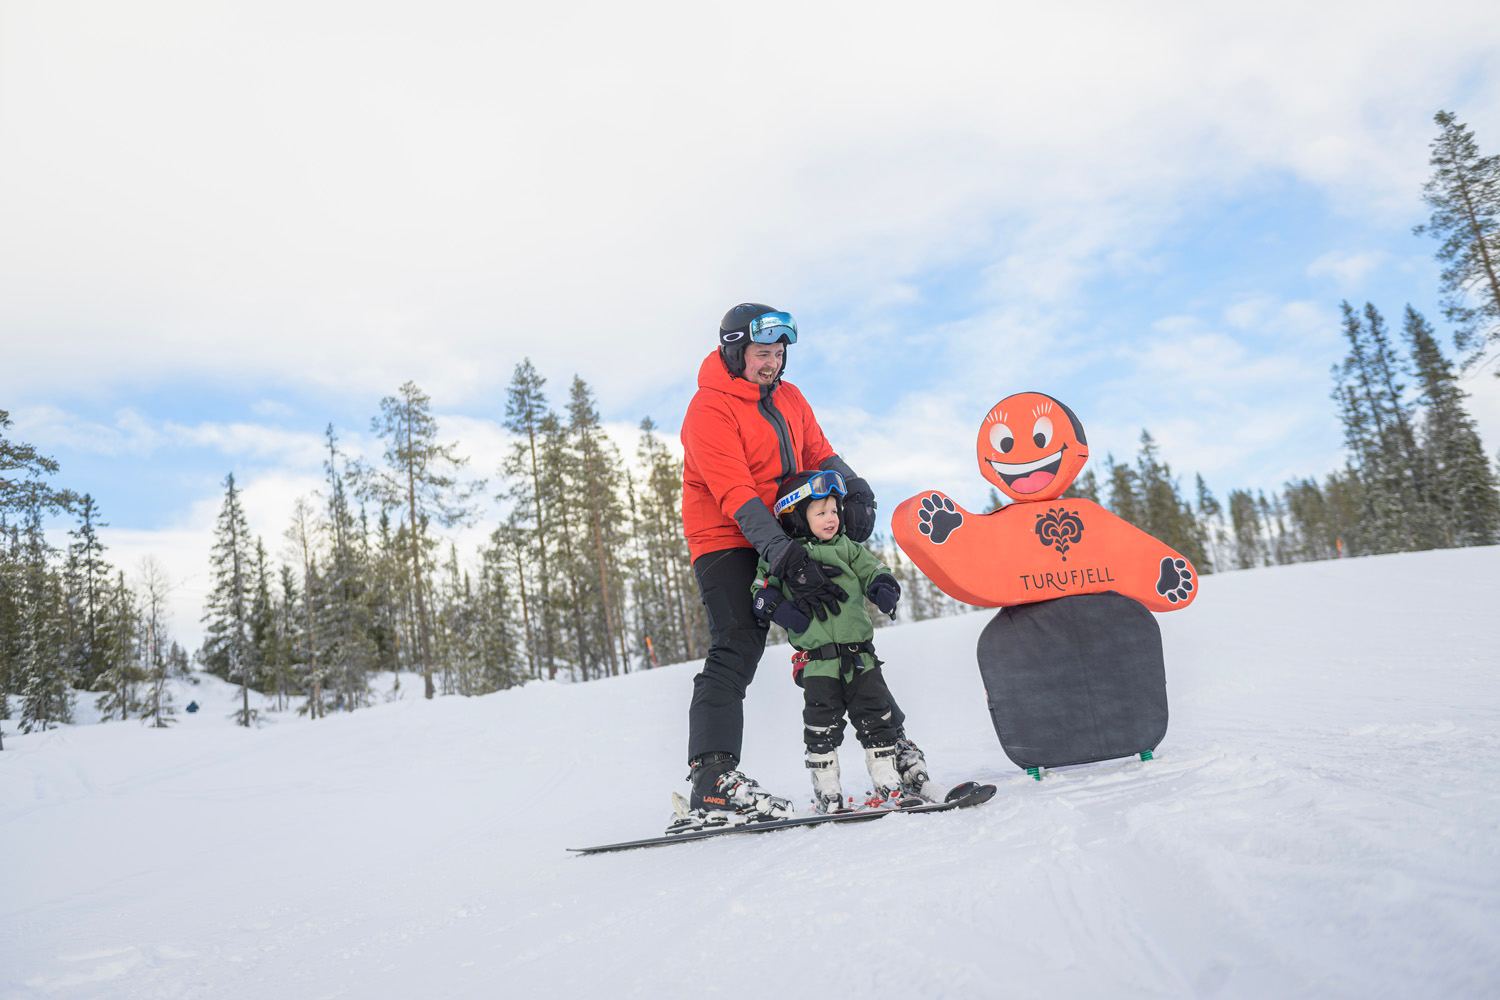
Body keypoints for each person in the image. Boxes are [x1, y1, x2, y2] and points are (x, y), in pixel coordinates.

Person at [671, 303, 881, 833]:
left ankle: (885, 741)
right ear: (735, 352)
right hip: (726, 537)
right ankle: (712, 778)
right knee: (738, 640)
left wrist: (855, 487)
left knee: (834, 622)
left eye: (779, 353)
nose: (772, 363)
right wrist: (785, 556)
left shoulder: (789, 397)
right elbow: (735, 495)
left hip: (783, 530)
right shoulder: (708, 409)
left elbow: (818, 451)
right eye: (762, 353)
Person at [750, 470, 934, 812]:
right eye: (820, 512)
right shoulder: (783, 557)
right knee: (821, 725)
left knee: (877, 718)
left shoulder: (847, 547)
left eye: (834, 510)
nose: (831, 518)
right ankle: (828, 790)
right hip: (818, 662)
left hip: (860, 657)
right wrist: (780, 609)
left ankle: (889, 782)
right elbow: (760, 592)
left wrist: (883, 587)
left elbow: (874, 569)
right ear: (796, 517)